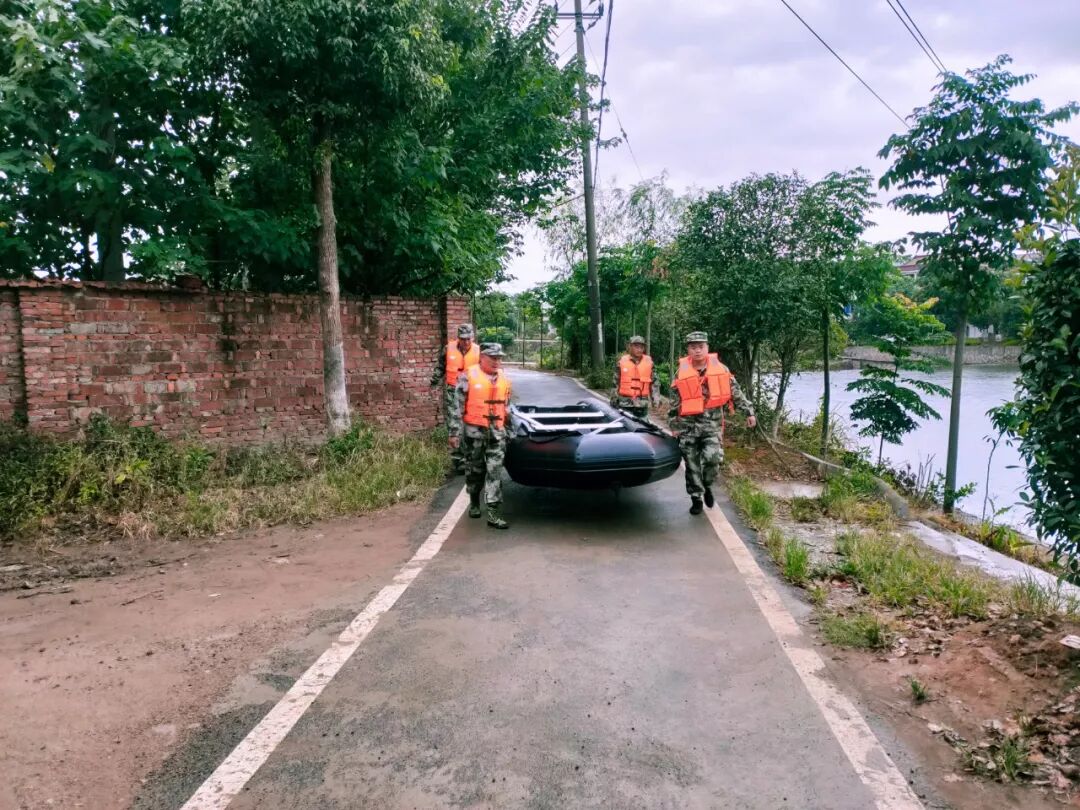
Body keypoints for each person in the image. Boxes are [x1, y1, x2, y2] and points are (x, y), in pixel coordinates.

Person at [668, 331, 756, 515]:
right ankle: (696, 498)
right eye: (693, 347)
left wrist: (749, 412)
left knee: (712, 459)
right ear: (688, 350)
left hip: (712, 425)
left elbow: (736, 392)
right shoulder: (681, 372)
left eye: (701, 346)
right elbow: (675, 402)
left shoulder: (721, 369)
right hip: (688, 427)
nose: (697, 350)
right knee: (691, 464)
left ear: (707, 348)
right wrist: (674, 426)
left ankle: (707, 484)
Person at [450, 342, 512, 529]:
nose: (497, 361)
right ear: (482, 357)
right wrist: (454, 432)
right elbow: (456, 407)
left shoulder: (504, 378)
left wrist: (509, 430)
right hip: (474, 434)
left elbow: (506, 407)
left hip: (497, 434)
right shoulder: (468, 376)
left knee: (495, 471)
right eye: (493, 357)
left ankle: (493, 512)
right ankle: (474, 501)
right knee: (475, 470)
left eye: (499, 358)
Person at [432, 323, 480, 472]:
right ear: (458, 337)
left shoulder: (478, 351)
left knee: (471, 424)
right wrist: (434, 380)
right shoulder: (448, 348)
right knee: (454, 424)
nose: (466, 342)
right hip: (453, 391)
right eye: (463, 338)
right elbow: (440, 365)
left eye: (468, 338)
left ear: (473, 337)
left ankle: (471, 457)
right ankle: (458, 460)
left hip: (472, 392)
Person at [611, 335, 660, 419]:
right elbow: (615, 382)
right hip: (624, 403)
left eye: (641, 347)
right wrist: (614, 399)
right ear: (630, 347)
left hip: (642, 404)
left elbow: (655, 382)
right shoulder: (621, 362)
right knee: (626, 425)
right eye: (636, 346)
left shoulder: (649, 363)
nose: (639, 349)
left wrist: (656, 400)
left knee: (642, 425)